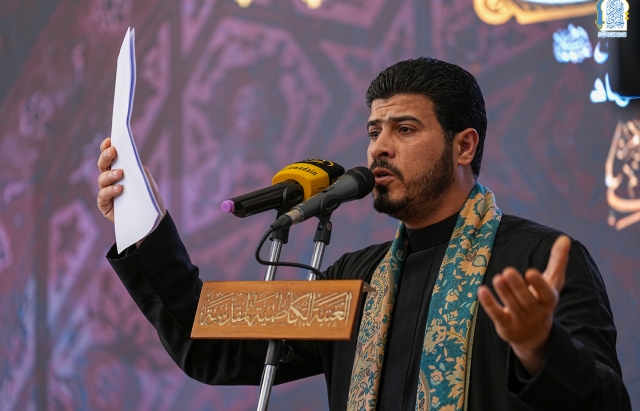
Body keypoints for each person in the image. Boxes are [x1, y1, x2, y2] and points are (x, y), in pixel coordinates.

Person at [96, 58, 631, 410]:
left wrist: (540, 346)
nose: (378, 147)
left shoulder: (538, 260)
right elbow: (209, 343)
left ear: (464, 146)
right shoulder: (355, 279)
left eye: (405, 129)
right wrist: (144, 221)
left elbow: (606, 403)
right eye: (374, 131)